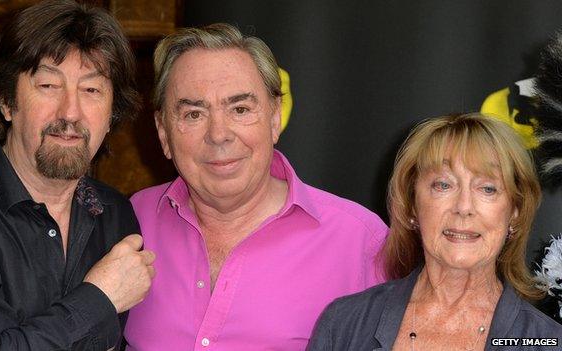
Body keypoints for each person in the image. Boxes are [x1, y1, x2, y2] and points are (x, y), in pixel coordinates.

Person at [123, 23, 388, 350]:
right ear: (164, 133)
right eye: (193, 114)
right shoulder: (131, 220)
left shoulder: (361, 242)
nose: (218, 134)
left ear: (275, 118)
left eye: (240, 109)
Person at [0, 1, 155, 350]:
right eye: (49, 86)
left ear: (112, 113)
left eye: (91, 90)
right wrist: (99, 298)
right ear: (8, 102)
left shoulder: (116, 215)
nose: (70, 112)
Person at [307, 113, 562, 350]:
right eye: (443, 185)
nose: (463, 208)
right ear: (412, 206)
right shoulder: (345, 325)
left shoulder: (548, 342)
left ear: (515, 212)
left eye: (487, 189)